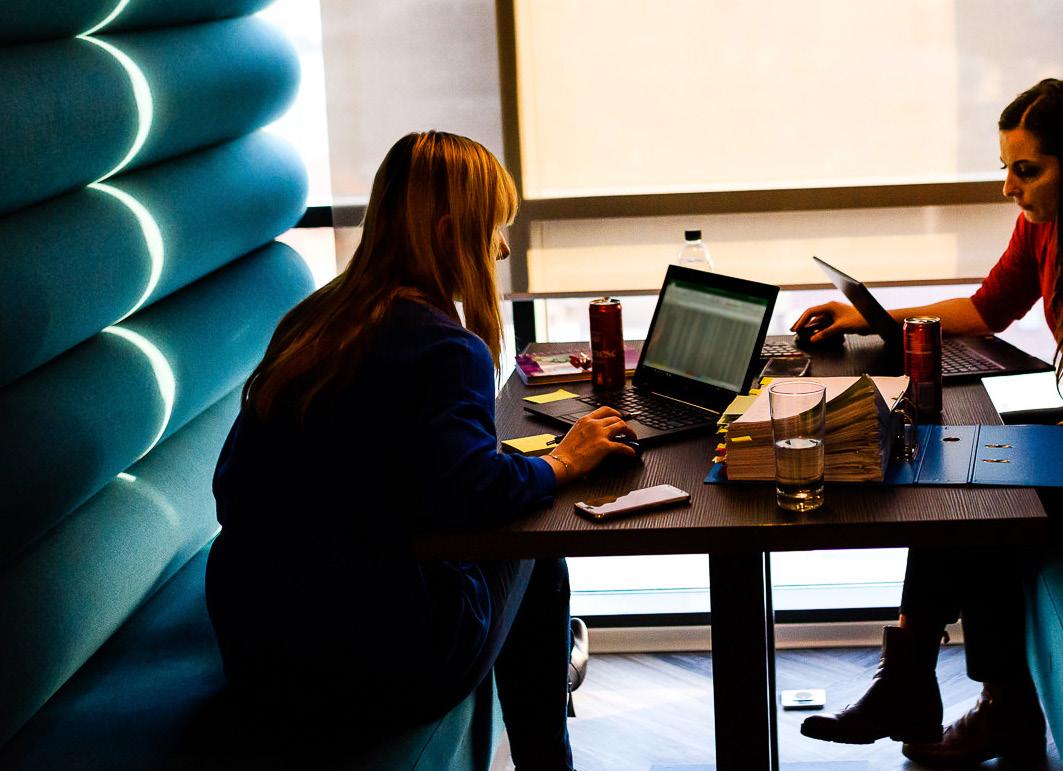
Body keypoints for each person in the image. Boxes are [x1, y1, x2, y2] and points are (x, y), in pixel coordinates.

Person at [204, 131, 636, 770]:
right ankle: (550, 746)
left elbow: (234, 481)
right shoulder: (445, 347)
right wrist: (563, 461)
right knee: (535, 533)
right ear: (448, 235)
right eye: (492, 228)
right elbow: (471, 496)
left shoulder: (314, 321)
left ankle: (549, 673)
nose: (502, 248)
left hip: (256, 644)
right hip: (380, 661)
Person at [792, 79, 1061, 765]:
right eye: (1006, 167)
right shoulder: (1042, 222)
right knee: (964, 469)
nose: (1009, 186)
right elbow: (988, 308)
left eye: (1026, 169)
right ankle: (934, 684)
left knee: (981, 486)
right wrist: (869, 316)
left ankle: (952, 694)